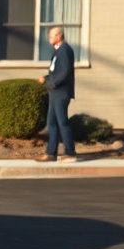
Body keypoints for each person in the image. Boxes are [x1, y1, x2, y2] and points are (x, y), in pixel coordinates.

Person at [36, 26, 77, 163]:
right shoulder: (58, 50)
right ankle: (51, 153)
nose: (49, 39)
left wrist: (51, 83)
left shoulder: (64, 50)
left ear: (59, 36)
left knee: (62, 122)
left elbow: (64, 72)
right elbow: (56, 71)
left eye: (51, 36)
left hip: (61, 92)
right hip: (55, 92)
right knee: (52, 122)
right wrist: (47, 78)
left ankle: (70, 153)